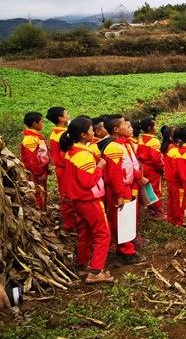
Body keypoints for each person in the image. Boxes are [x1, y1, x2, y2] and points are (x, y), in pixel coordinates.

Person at [60, 117, 113, 284]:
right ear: (83, 135)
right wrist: (100, 168)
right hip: (89, 200)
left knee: (85, 231)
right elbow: (88, 181)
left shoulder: (72, 152)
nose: (93, 132)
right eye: (91, 130)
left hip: (77, 201)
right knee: (103, 233)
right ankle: (96, 272)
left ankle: (83, 262)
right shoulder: (84, 156)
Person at [98, 114, 146, 264]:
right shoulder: (113, 147)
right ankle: (126, 251)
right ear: (116, 129)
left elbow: (130, 165)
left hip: (129, 185)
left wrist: (138, 176)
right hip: (121, 188)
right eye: (126, 126)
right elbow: (114, 175)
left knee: (129, 216)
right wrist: (119, 194)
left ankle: (128, 243)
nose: (130, 128)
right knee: (122, 218)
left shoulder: (124, 143)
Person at [46, 106, 76, 231]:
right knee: (67, 195)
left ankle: (71, 221)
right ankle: (69, 224)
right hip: (64, 168)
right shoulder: (61, 135)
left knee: (67, 194)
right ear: (61, 118)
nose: (68, 115)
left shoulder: (58, 132)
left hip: (62, 167)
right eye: (66, 113)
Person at [20, 112, 51, 210]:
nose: (43, 124)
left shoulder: (36, 136)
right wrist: (39, 172)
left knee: (42, 191)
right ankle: (40, 213)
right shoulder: (30, 139)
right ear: (35, 124)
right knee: (38, 192)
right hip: (35, 172)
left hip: (42, 169)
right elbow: (31, 159)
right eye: (41, 122)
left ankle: (43, 210)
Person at [137, 116, 166, 220]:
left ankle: (150, 209)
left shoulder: (140, 139)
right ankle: (159, 212)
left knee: (147, 189)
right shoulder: (154, 141)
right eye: (155, 125)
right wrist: (162, 169)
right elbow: (156, 159)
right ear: (150, 128)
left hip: (142, 167)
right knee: (156, 190)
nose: (156, 127)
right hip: (152, 169)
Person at [161, 126, 184, 226]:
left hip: (170, 178)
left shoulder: (167, 147)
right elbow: (177, 168)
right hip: (176, 180)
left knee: (171, 199)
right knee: (178, 200)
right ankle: (178, 221)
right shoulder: (174, 150)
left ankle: (171, 218)